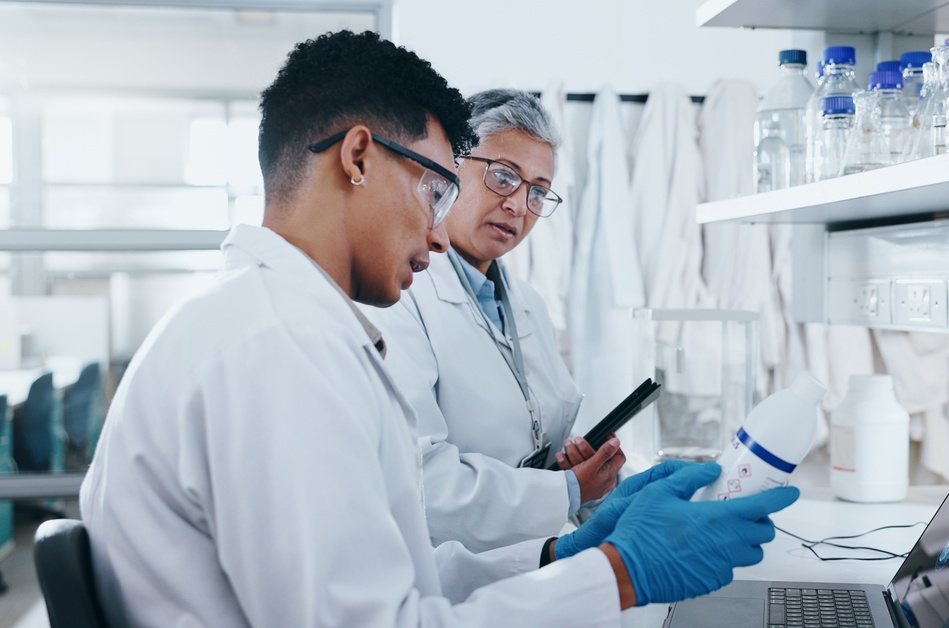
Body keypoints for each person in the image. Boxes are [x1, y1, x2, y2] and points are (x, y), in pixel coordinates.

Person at [79, 30, 798, 627]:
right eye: (434, 188)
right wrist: (619, 573)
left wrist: (565, 555)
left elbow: (404, 574)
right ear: (357, 157)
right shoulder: (277, 347)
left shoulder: (282, 325)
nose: (436, 227)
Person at [365, 88, 621, 552]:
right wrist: (563, 492)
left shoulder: (529, 305)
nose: (519, 206)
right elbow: (422, 479)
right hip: (447, 585)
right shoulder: (399, 296)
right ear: (450, 165)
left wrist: (584, 473)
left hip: (537, 561)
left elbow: (544, 443)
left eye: (538, 192)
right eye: (504, 177)